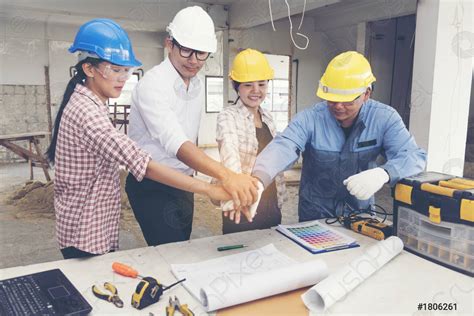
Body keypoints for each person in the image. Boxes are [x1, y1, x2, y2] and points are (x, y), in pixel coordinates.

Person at [46, 18, 231, 259]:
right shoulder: (87, 111)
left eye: (126, 70)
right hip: (85, 227)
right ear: (89, 69)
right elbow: (143, 163)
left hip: (96, 222)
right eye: (114, 69)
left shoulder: (92, 102)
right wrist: (211, 188)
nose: (123, 78)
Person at [126, 6, 257, 246]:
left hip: (184, 181)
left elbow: (190, 137)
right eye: (186, 50)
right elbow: (176, 142)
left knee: (182, 246)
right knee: (169, 250)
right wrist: (226, 175)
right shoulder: (152, 85)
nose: (194, 61)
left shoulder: (195, 84)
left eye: (201, 53)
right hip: (153, 183)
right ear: (169, 44)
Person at [252, 51, 427, 221]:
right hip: (315, 216)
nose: (338, 106)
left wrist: (384, 173)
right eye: (332, 99)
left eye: (347, 101)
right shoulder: (311, 118)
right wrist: (259, 179)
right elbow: (285, 145)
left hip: (361, 217)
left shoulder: (384, 118)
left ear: (366, 93)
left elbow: (414, 156)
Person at [215, 49, 287, 234]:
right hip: (242, 203)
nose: (256, 91)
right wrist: (238, 197)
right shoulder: (228, 116)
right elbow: (229, 151)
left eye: (262, 84)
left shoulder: (268, 118)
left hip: (270, 200)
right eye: (248, 85)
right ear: (236, 86)